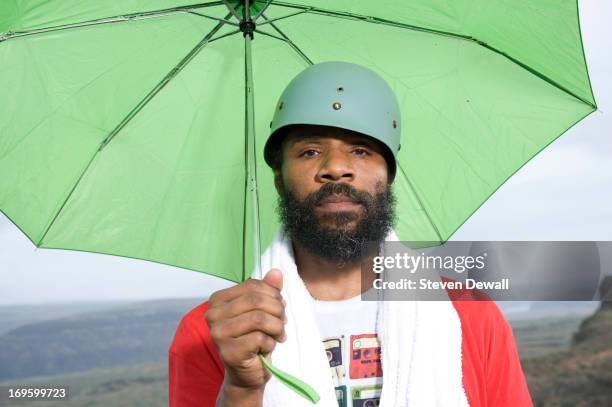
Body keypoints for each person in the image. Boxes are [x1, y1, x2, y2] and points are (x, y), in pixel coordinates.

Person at [168, 61, 533, 407]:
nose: (336, 168)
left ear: (387, 176)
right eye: (310, 151)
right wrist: (242, 389)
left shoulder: (469, 313)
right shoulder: (214, 332)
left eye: (360, 150)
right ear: (278, 179)